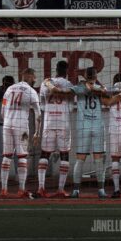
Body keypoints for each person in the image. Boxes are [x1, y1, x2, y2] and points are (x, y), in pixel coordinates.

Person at [69, 67, 109, 198]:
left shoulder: (79, 87)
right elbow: (107, 96)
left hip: (83, 125)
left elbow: (69, 92)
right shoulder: (100, 88)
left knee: (80, 159)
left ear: (85, 76)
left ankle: (76, 190)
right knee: (99, 159)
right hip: (97, 125)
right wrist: (99, 84)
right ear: (96, 76)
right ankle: (101, 190)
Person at [0, 68, 41, 198]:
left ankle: (4, 190)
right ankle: (21, 189)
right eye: (34, 77)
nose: (35, 79)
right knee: (22, 156)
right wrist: (37, 133)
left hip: (7, 124)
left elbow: (2, 110)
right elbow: (38, 114)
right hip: (21, 125)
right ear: (29, 76)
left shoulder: (10, 89)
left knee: (7, 156)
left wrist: (7, 119)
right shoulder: (31, 91)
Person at [38, 60, 73, 198]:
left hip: (49, 122)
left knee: (44, 154)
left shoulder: (45, 83)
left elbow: (42, 105)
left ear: (56, 69)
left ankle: (41, 187)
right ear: (67, 71)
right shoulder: (68, 84)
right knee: (64, 154)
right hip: (63, 123)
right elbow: (71, 106)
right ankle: (60, 189)